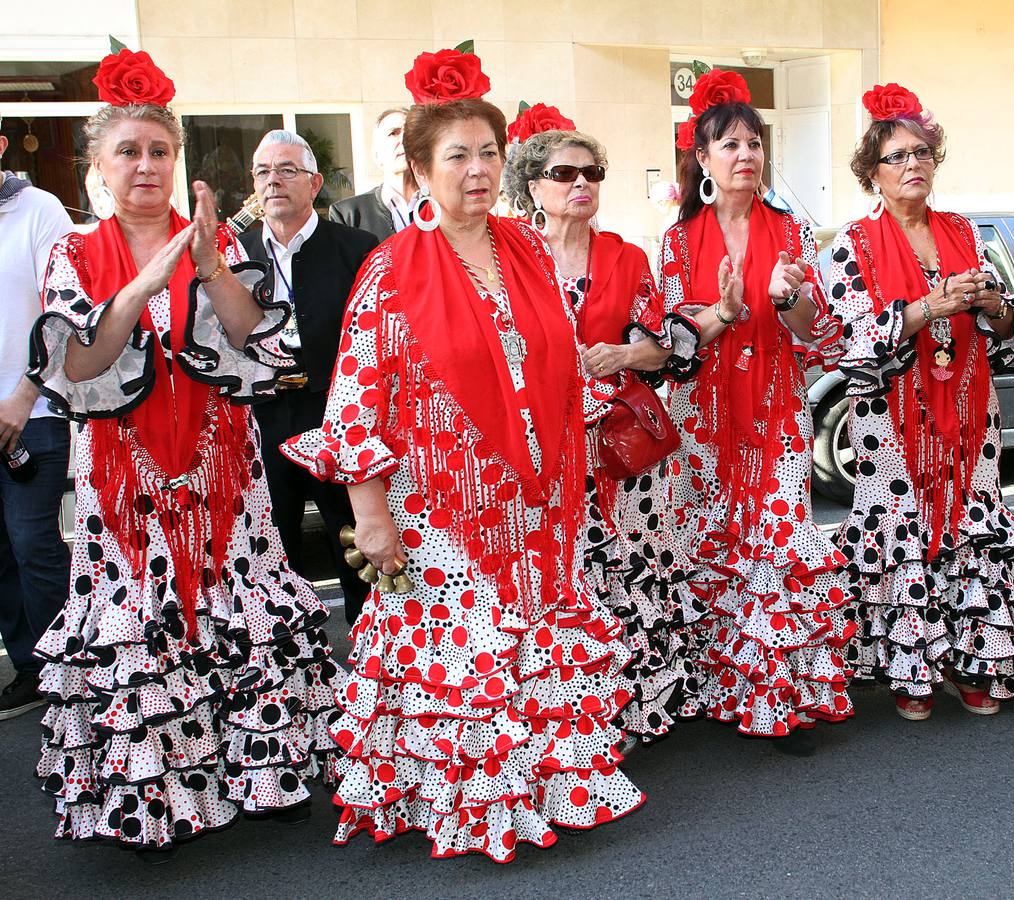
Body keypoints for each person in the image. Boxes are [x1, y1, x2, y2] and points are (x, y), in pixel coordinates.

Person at [282, 48, 643, 861]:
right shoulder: (390, 272)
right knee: (467, 657)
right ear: (417, 170)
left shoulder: (528, 252)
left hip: (536, 501)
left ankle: (540, 792)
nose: (476, 170)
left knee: (531, 644)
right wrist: (370, 520)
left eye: (488, 153)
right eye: (457, 156)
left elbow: (554, 365)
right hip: (439, 506)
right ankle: (465, 808)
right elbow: (357, 404)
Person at [29, 50, 337, 856]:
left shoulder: (220, 242)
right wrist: (140, 286)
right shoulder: (74, 255)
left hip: (223, 466)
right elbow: (80, 365)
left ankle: (260, 777)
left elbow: (253, 339)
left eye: (159, 151)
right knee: (146, 625)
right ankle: (159, 796)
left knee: (236, 606)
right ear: (97, 168)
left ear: (179, 163)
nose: (145, 166)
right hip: (123, 480)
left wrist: (202, 262)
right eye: (127, 152)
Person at [825, 83, 1014, 720]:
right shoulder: (852, 244)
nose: (912, 165)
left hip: (972, 410)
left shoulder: (963, 231)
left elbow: (1009, 332)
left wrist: (989, 305)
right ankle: (910, 671)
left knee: (970, 529)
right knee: (902, 534)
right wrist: (929, 307)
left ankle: (975, 662)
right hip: (887, 420)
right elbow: (855, 337)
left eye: (922, 152)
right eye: (895, 157)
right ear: (872, 172)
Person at [661, 70, 852, 754]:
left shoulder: (789, 228)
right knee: (713, 542)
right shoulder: (678, 240)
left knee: (777, 542)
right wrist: (727, 311)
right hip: (705, 416)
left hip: (776, 411)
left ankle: (781, 698)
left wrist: (784, 296)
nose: (745, 155)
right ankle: (718, 687)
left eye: (754, 143)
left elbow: (814, 330)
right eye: (728, 145)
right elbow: (673, 342)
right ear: (702, 160)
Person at [501, 117, 703, 747]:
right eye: (564, 173)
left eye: (592, 173)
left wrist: (621, 355)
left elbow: (663, 346)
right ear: (533, 185)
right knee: (560, 579)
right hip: (541, 451)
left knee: (629, 573)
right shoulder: (504, 256)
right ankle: (567, 719)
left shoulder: (625, 255)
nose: (581, 183)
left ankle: (636, 710)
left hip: (619, 452)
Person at [240, 130, 379, 625]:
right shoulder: (233, 252)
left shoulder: (357, 248)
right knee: (271, 537)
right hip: (260, 413)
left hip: (335, 414)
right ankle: (287, 654)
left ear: (316, 183)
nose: (273, 181)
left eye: (287, 170)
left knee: (352, 533)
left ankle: (370, 649)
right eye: (263, 172)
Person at [0, 122, 73, 721]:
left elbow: (65, 309)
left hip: (34, 409)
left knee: (34, 544)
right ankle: (29, 667)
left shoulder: (39, 209)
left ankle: (63, 666)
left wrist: (24, 395)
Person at [328, 107, 412, 240]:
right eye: (393, 133)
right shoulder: (348, 215)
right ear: (376, 155)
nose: (403, 140)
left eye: (411, 133)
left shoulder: (442, 204)